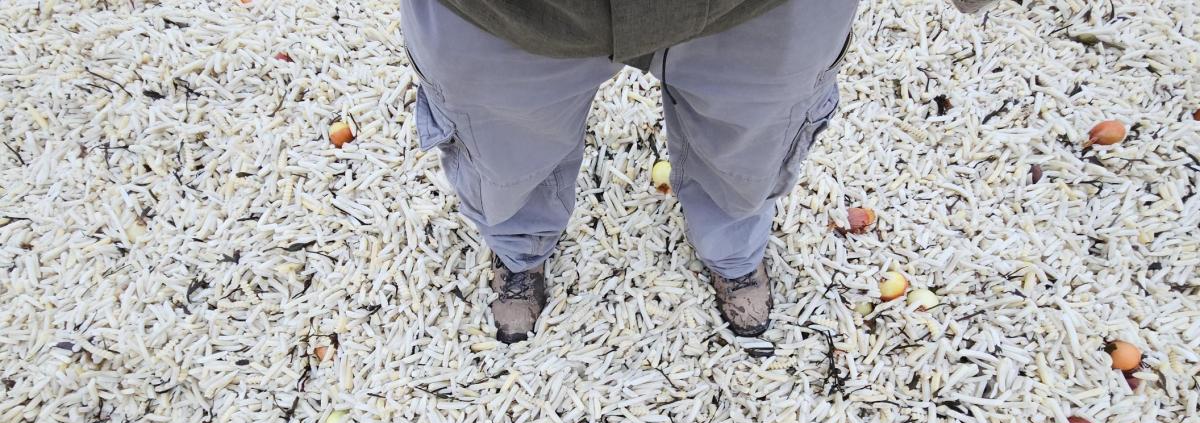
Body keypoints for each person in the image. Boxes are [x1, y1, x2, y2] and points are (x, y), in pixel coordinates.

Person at [400, 0, 995, 343]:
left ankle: (735, 248)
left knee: (751, 145)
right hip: (509, 11)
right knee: (502, 149)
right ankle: (518, 247)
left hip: (757, 7)